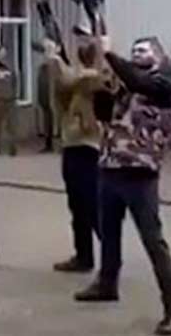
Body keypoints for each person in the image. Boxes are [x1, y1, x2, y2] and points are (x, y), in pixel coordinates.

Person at [74, 35, 171, 336]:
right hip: (111, 167)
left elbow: (140, 83)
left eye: (144, 50)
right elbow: (102, 114)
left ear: (159, 57)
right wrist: (101, 80)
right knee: (108, 233)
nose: (137, 54)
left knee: (153, 241)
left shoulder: (164, 86)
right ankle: (107, 283)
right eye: (134, 50)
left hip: (141, 173)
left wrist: (109, 52)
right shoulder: (126, 86)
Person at [43, 36, 108, 274]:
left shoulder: (92, 78)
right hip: (73, 144)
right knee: (77, 206)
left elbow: (70, 79)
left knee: (90, 206)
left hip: (87, 147)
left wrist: (55, 59)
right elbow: (61, 89)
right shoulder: (81, 79)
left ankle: (111, 258)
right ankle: (84, 256)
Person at [0, 48, 20, 156]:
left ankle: (12, 148)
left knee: (11, 125)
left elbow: (15, 82)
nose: (0, 55)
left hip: (10, 99)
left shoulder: (11, 67)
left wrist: (14, 95)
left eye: (1, 53)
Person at [36, 58, 55, 153]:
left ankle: (50, 144)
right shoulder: (42, 69)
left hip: (50, 102)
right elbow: (40, 86)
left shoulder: (52, 70)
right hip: (45, 101)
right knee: (47, 123)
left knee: (50, 123)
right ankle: (48, 143)